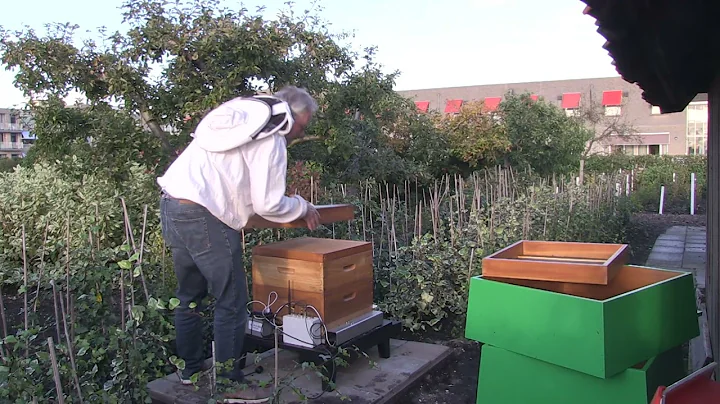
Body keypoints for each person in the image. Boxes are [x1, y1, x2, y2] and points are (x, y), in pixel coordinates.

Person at [156, 86, 321, 403]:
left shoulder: (238, 117)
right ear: (293, 116)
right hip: (205, 216)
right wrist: (302, 206)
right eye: (303, 126)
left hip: (173, 206)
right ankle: (231, 385)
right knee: (231, 301)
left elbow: (232, 178)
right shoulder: (271, 136)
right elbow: (268, 203)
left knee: (189, 296)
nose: (300, 133)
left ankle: (190, 371)